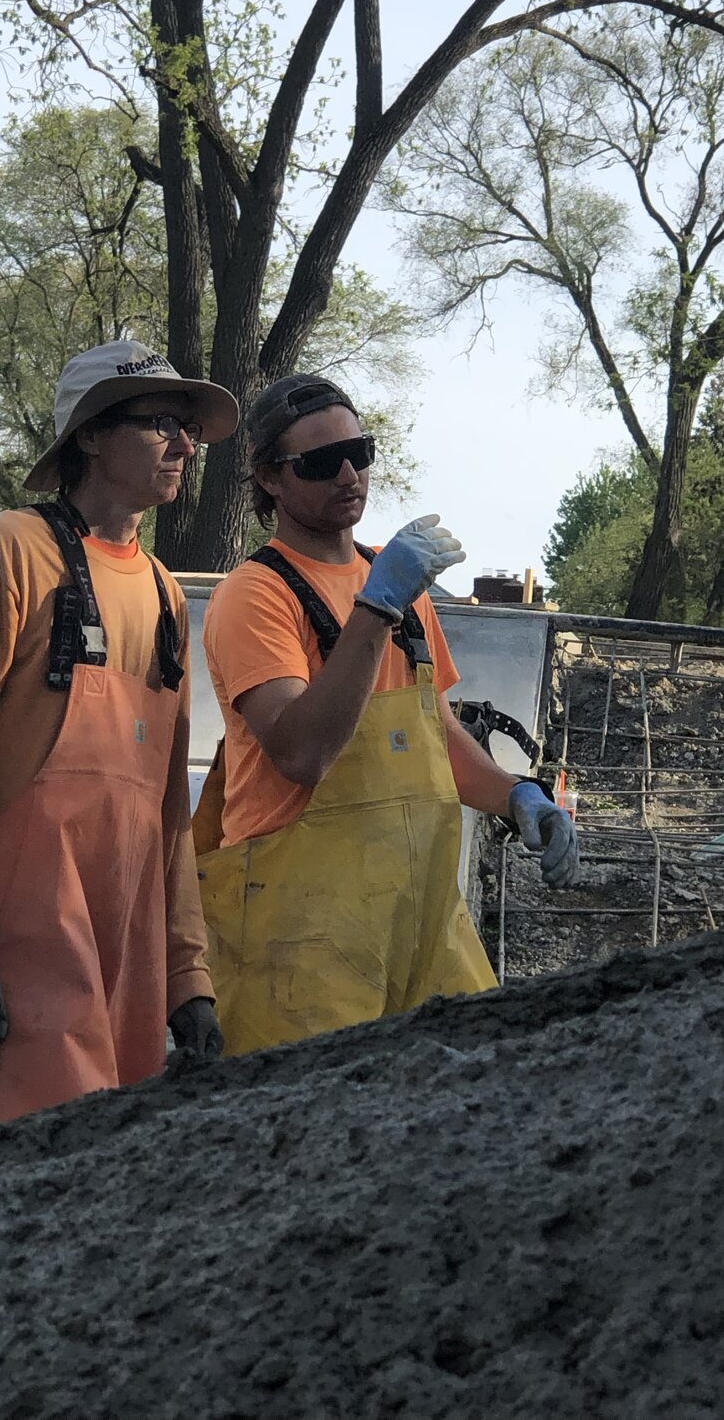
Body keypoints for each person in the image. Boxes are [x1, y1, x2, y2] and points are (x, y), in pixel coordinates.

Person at [0, 339, 237, 1136]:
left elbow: (167, 811)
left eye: (189, 430)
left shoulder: (163, 597)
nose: (186, 445)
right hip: (16, 969)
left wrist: (187, 975)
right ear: (88, 435)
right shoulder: (6, 549)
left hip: (131, 969)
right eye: (162, 423)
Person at [195, 372, 579, 1055]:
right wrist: (375, 609)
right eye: (319, 462)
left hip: (420, 923)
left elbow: (433, 736)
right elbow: (301, 752)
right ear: (270, 480)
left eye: (359, 451)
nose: (348, 473)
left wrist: (516, 795)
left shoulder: (401, 591)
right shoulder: (255, 597)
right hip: (299, 940)